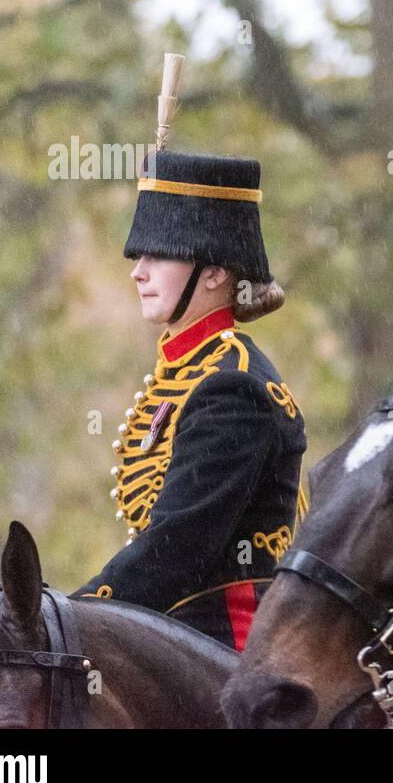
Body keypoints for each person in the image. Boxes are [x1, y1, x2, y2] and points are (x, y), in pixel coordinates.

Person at [75, 150, 307, 651]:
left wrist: (74, 616)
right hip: (169, 636)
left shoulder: (233, 387)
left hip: (226, 646)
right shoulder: (186, 372)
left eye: (158, 255)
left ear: (214, 272)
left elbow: (178, 548)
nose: (139, 272)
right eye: (140, 256)